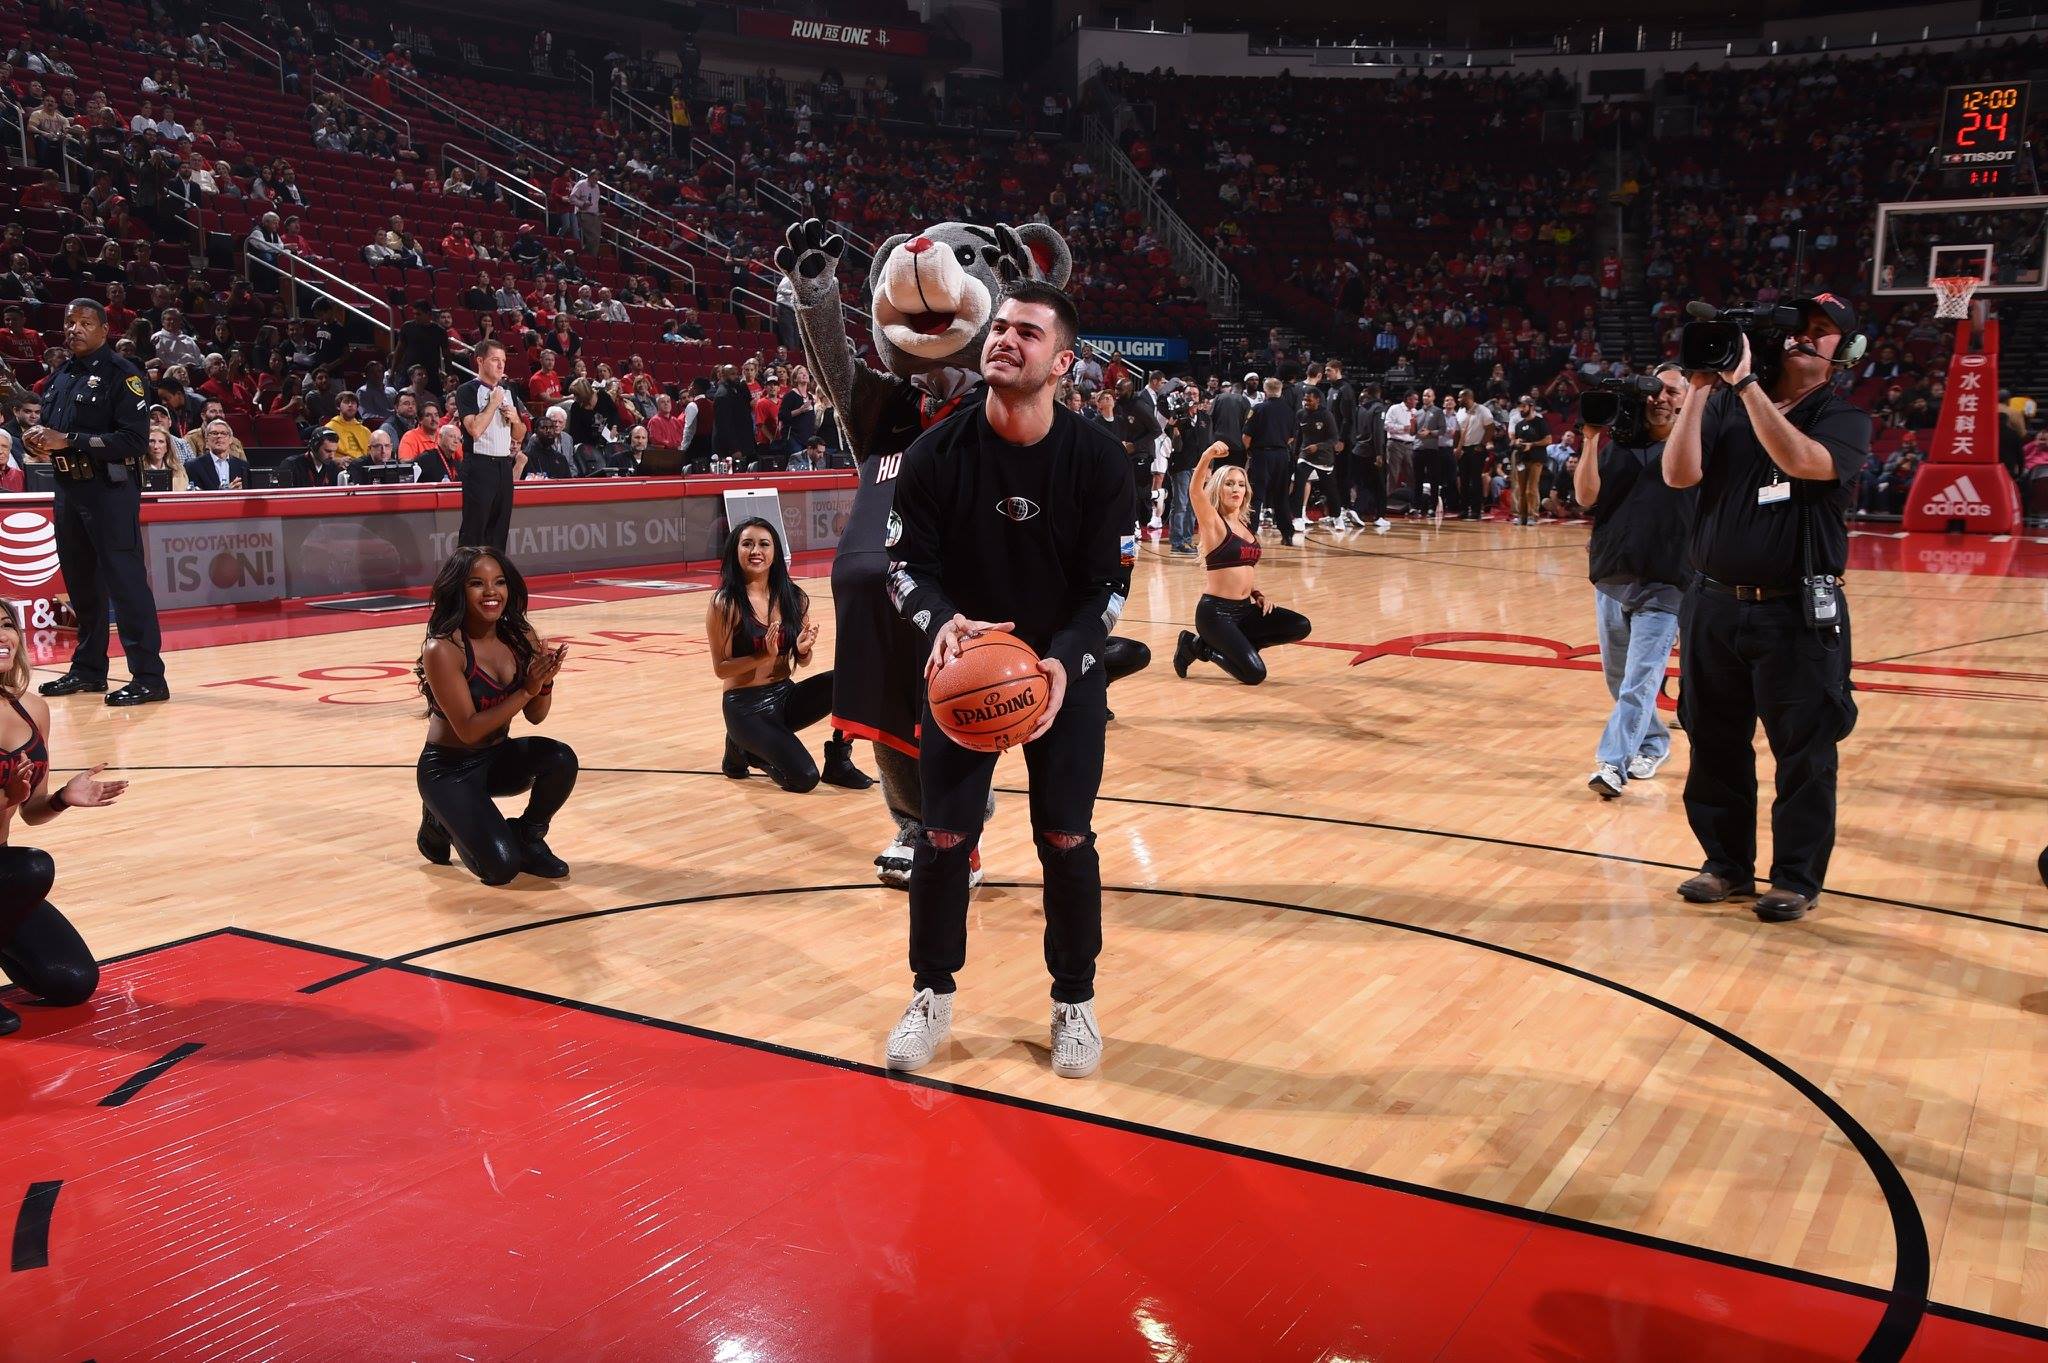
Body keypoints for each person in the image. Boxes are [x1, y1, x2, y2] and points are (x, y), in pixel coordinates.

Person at [881, 283, 1130, 1080]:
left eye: (1026, 331)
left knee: (1067, 839)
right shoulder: (934, 454)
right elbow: (901, 567)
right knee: (944, 838)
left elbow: (1110, 586)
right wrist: (940, 621)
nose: (1004, 339)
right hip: (965, 670)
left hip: (1059, 672)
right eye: (998, 327)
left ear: (1062, 361)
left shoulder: (1098, 460)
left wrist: (1068, 659)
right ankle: (931, 992)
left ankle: (1075, 999)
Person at [1662, 295, 1869, 923]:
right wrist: (1701, 387)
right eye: (1800, 329)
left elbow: (1803, 462)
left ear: (1845, 352)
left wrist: (1748, 384)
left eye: (1824, 333)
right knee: (1715, 742)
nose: (1808, 339)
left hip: (1797, 612)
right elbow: (1678, 474)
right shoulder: (1723, 402)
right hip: (1713, 605)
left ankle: (1796, 877)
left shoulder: (1844, 417)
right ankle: (1725, 865)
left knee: (1803, 752)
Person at [27, 300, 168, 706]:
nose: (75, 329)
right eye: (69, 322)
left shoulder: (123, 376)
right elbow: (56, 432)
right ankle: (89, 670)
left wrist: (70, 441)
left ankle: (149, 677)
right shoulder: (60, 377)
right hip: (68, 489)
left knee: (125, 585)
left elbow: (136, 441)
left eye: (85, 322)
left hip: (110, 491)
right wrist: (43, 441)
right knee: (81, 585)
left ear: (104, 330)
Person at [0, 600, 130, 1037]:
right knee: (32, 867)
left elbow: (32, 812)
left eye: (6, 626)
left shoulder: (32, 709)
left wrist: (60, 798)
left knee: (72, 981)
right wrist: (6, 798)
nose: (3, 638)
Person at [414, 547, 576, 884]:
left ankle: (529, 836)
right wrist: (527, 689)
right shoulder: (443, 648)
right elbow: (470, 731)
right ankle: (439, 818)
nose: (491, 592)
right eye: (477, 583)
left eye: (499, 582)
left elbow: (536, 716)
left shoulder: (520, 635)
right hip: (449, 770)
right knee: (501, 869)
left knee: (560, 758)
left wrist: (544, 684)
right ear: (458, 590)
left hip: (496, 758)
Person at [1574, 365, 1693, 798]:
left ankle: (1611, 764)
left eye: (1672, 391)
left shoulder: (1696, 447)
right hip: (1613, 578)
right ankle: (1655, 741)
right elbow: (1586, 498)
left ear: (1687, 397)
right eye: (1654, 390)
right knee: (1618, 679)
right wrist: (1590, 438)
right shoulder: (1621, 447)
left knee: (1639, 682)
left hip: (1666, 583)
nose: (1661, 397)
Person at [706, 517, 872, 793]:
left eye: (763, 544)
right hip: (745, 706)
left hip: (785, 696)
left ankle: (838, 760)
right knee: (804, 778)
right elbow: (721, 669)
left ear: (775, 552)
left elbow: (802, 661)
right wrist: (762, 656)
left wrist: (803, 650)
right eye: (747, 544)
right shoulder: (726, 603)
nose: (755, 551)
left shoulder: (794, 598)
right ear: (735, 552)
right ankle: (747, 749)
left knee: (849, 681)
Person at [1173, 439, 1313, 685]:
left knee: (1299, 625)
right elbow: (1195, 492)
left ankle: (1236, 647)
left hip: (1245, 609)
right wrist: (1207, 455)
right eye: (1228, 484)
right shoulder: (1214, 522)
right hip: (1215, 614)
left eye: (1240, 484)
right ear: (1218, 488)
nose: (1235, 489)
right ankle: (1199, 647)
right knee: (1254, 674)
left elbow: (1245, 568)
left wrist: (1257, 593)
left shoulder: (1245, 526)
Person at [453, 340, 528, 552]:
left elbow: (519, 436)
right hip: (479, 465)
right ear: (480, 361)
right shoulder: (466, 390)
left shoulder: (508, 391)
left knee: (499, 530)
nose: (501, 365)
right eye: (495, 360)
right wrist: (493, 403)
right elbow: (474, 430)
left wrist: (515, 419)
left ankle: (494, 577)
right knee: (474, 530)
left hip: (504, 466)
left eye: (503, 360)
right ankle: (465, 578)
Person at [1507, 395, 1549, 526]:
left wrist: (1532, 445)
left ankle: (1533, 515)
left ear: (1531, 406)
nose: (1521, 409)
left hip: (1536, 459)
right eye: (1520, 406)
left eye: (1524, 406)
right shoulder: (1519, 424)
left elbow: (1548, 440)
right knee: (1520, 488)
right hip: (1521, 459)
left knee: (1531, 489)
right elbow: (1514, 441)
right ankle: (1522, 516)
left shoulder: (1540, 422)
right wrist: (1516, 442)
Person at [277, 428, 343, 487]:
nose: (332, 456)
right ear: (315, 447)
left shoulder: (333, 467)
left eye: (334, 451)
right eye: (328, 451)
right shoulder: (291, 465)